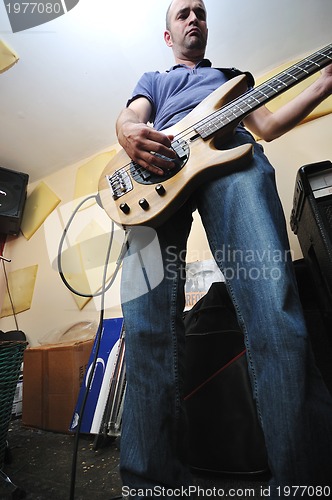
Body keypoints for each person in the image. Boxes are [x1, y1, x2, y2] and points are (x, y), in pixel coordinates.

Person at [116, 1, 332, 498]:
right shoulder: (155, 78)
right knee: (145, 325)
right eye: (183, 13)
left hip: (232, 158)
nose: (194, 17)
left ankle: (306, 482)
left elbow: (269, 126)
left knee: (272, 306)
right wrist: (127, 132)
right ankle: (150, 486)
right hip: (156, 175)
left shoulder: (233, 77)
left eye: (201, 12)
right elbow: (131, 117)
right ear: (168, 36)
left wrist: (322, 84)